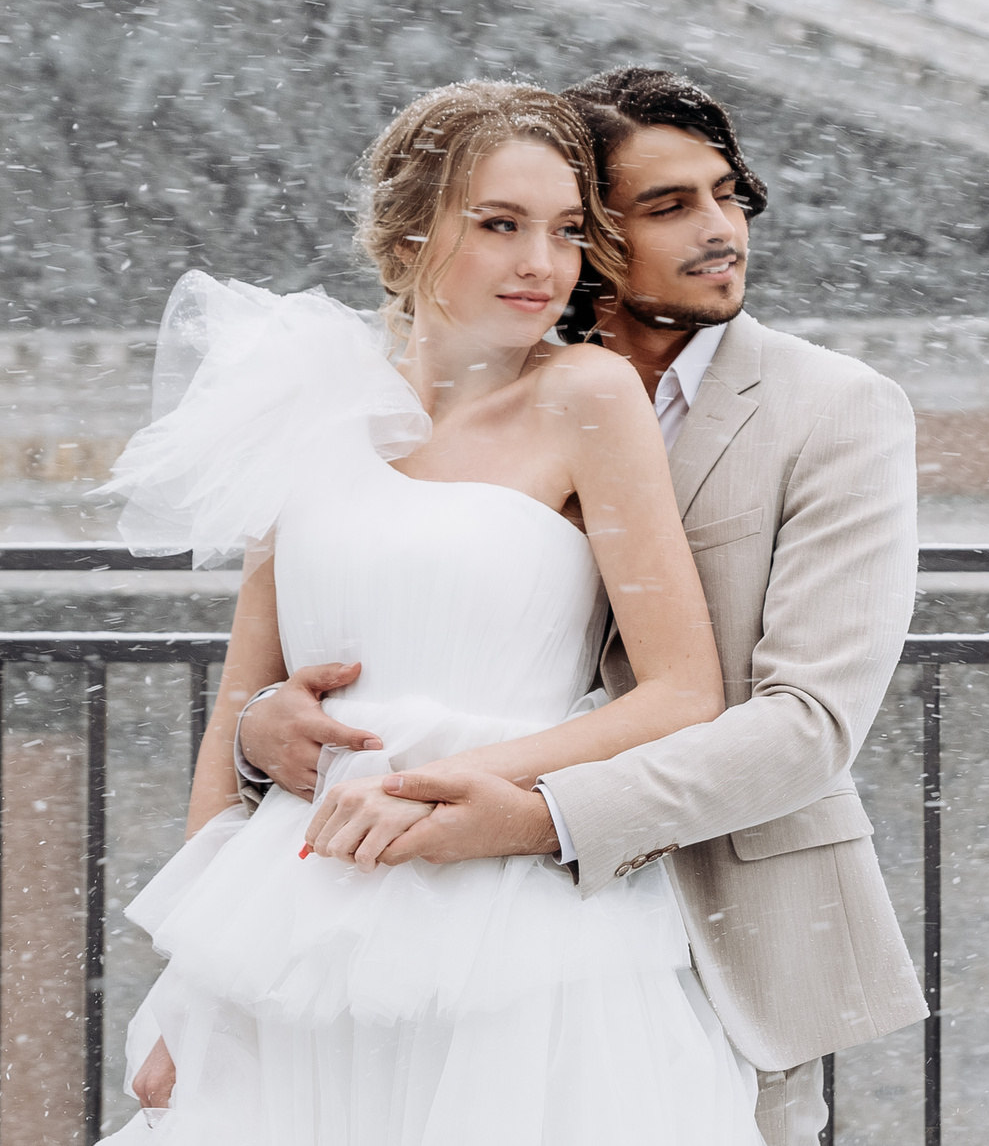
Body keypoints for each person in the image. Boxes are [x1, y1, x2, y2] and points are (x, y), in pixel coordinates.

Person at [238, 66, 926, 1146]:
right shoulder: (464, 393)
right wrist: (260, 726)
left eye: (728, 195)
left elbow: (808, 726)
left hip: (725, 933)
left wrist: (541, 819)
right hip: (418, 922)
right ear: (595, 233)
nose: (721, 230)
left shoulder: (836, 411)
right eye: (668, 206)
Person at [96, 80, 765, 1143]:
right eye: (499, 225)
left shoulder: (588, 396)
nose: (542, 263)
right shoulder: (311, 400)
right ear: (408, 234)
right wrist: (192, 978)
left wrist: (456, 784)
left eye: (564, 231)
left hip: (505, 914)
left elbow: (683, 693)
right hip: (296, 913)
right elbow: (240, 707)